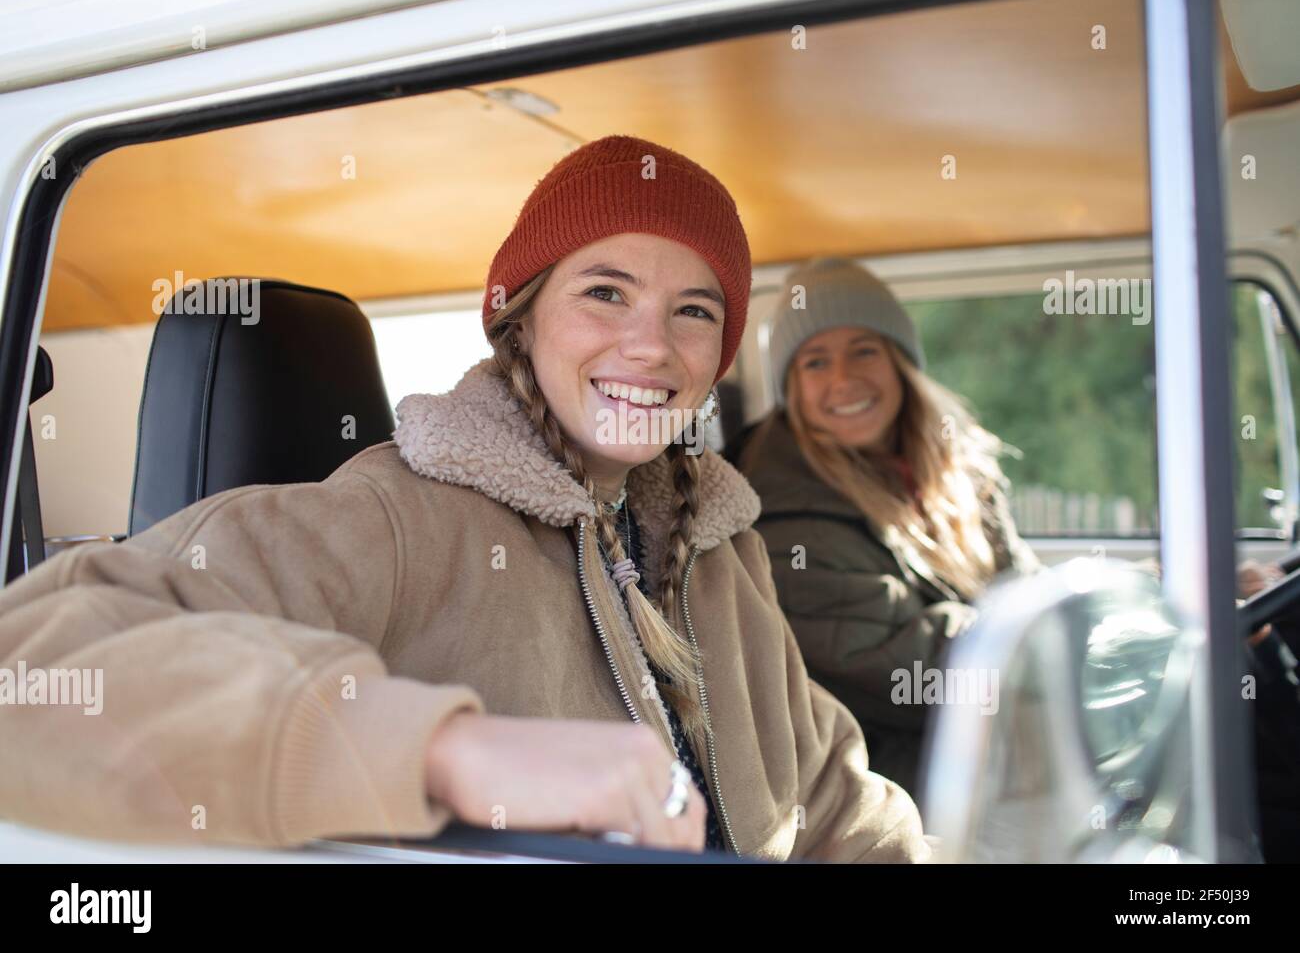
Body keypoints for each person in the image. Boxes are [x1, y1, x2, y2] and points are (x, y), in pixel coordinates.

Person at [0, 138, 928, 862]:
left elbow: (838, 802)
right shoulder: (397, 516)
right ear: (519, 318)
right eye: (606, 292)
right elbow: (31, 672)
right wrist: (445, 753)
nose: (652, 346)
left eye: (694, 310)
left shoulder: (723, 549)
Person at [732, 257, 1039, 796]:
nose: (844, 379)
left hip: (979, 731)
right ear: (792, 388)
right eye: (815, 362)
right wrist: (1047, 637)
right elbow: (911, 676)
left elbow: (1022, 585)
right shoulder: (781, 519)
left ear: (900, 361)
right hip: (888, 774)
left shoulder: (955, 464)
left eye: (864, 350)